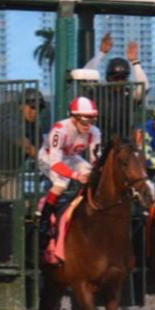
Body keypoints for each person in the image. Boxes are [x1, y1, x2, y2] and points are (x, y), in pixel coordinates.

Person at [36, 97, 101, 252]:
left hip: (70, 156)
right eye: (84, 120)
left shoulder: (94, 132)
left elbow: (95, 160)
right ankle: (44, 221)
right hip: (48, 157)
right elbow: (55, 163)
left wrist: (91, 174)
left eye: (91, 120)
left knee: (93, 176)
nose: (88, 125)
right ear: (74, 118)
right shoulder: (60, 129)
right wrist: (77, 176)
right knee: (61, 183)